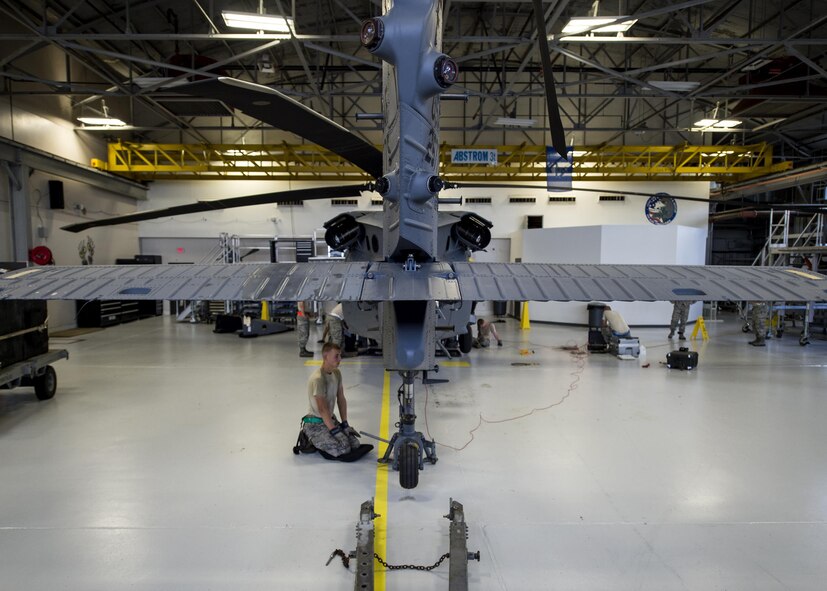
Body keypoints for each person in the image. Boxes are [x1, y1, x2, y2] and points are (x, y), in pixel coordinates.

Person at [301, 343, 362, 457]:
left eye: (340, 356)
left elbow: (341, 399)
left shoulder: (336, 373)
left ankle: (326, 437)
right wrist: (334, 431)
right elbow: (323, 409)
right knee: (343, 449)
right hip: (316, 424)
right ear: (325, 357)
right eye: (336, 356)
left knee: (355, 444)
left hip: (329, 419)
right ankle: (310, 437)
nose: (339, 359)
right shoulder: (318, 379)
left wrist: (345, 424)